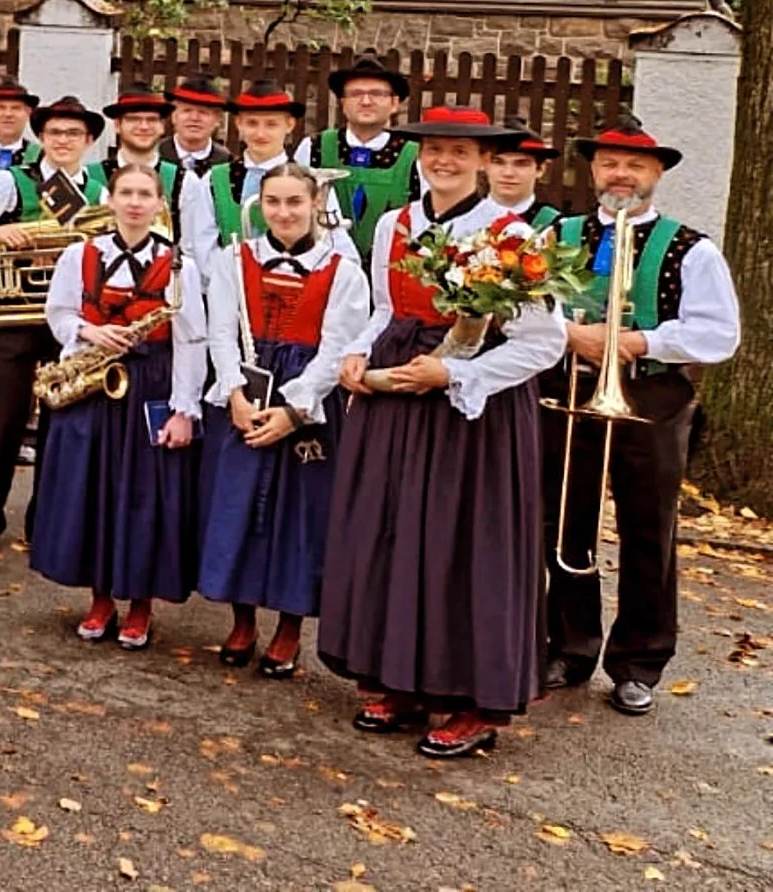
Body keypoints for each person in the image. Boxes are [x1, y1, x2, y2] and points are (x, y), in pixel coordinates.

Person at [323, 105, 565, 759]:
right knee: (396, 536)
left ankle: (468, 701)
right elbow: (382, 309)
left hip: (471, 415)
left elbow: (544, 342)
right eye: (434, 149)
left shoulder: (512, 236)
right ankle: (398, 677)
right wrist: (356, 351)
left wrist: (458, 377)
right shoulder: (395, 225)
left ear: (485, 160)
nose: (444, 161)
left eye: (459, 150)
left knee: (461, 545)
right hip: (395, 398)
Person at [542, 117, 741, 717]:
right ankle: (569, 648)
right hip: (570, 386)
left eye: (634, 165)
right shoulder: (559, 234)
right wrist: (572, 333)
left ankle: (639, 661)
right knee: (563, 524)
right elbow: (529, 308)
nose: (620, 174)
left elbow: (718, 332)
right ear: (593, 170)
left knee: (648, 529)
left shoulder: (692, 247)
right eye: (609, 163)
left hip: (651, 394)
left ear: (656, 174)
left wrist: (636, 343)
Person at [195, 162, 369, 679]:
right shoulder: (235, 258)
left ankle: (289, 627)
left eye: (295, 202)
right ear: (260, 205)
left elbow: (338, 346)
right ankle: (241, 618)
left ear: (316, 204)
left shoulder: (343, 269)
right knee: (235, 509)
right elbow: (220, 332)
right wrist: (234, 392)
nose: (284, 213)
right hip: (244, 396)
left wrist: (295, 409)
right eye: (273, 202)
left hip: (307, 403)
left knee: (300, 518)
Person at [33, 164, 204, 652]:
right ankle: (101, 597)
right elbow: (58, 313)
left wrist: (183, 410)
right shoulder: (79, 254)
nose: (134, 202)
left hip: (150, 384)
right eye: (125, 192)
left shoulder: (180, 267)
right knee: (92, 494)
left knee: (143, 499)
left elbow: (193, 341)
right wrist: (89, 332)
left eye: (144, 194)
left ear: (158, 204)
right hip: (92, 384)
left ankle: (141, 605)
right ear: (109, 198)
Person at [0, 94, 106, 559]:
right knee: (1, 426)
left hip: (72, 327)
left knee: (60, 426)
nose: (63, 140)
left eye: (73, 133)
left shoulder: (103, 189)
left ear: (89, 140)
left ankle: (43, 524)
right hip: (17, 319)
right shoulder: (14, 180)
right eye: (54, 133)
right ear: (41, 137)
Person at [306, 57, 418, 260]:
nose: (366, 101)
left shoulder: (414, 155)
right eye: (356, 94)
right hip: (322, 269)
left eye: (377, 94)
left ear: (394, 103)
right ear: (342, 103)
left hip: (392, 269)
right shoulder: (314, 148)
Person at [188, 81, 306, 261]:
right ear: (238, 124)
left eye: (271, 124)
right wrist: (232, 279)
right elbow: (202, 244)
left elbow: (331, 242)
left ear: (289, 125)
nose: (260, 133)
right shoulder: (215, 180)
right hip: (228, 283)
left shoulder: (309, 181)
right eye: (252, 123)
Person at [486, 135, 563, 230]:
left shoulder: (558, 226)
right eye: (498, 162)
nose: (508, 173)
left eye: (521, 164)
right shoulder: (465, 215)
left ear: (540, 170)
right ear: (484, 166)